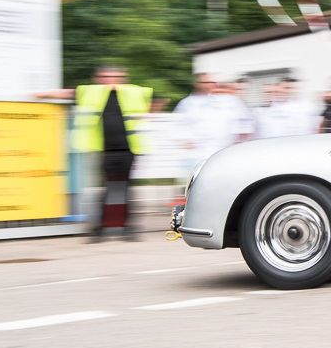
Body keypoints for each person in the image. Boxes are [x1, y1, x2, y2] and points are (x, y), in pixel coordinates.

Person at [34, 65, 152, 241]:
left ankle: (128, 229)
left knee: (127, 190)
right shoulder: (90, 92)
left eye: (115, 77)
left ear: (123, 78)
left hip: (129, 149)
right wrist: (41, 94)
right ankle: (100, 229)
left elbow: (154, 99)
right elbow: (66, 93)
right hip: (104, 150)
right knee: (105, 191)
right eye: (106, 76)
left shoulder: (133, 92)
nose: (110, 80)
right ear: (97, 78)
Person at [174, 73, 243, 170]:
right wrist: (185, 141)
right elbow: (177, 126)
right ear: (196, 84)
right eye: (206, 82)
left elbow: (241, 124)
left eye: (212, 82)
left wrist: (236, 141)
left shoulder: (226, 102)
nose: (210, 85)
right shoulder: (187, 104)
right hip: (197, 156)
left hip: (222, 153)